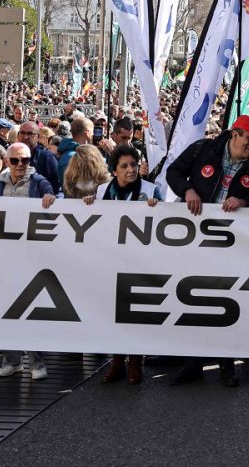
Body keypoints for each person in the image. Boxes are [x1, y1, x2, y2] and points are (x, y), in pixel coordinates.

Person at [162, 115, 249, 387]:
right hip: (196, 237)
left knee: (226, 300)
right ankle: (192, 363)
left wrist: (244, 199)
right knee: (192, 296)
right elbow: (172, 172)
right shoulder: (203, 149)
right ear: (235, 134)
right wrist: (187, 190)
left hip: (231, 241)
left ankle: (226, 364)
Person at [0, 142, 56, 380]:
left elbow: (52, 194)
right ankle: (12, 360)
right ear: (7, 162)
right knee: (5, 309)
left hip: (31, 256)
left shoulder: (38, 182)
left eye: (25, 160)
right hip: (3, 256)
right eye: (15, 160)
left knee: (30, 309)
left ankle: (37, 363)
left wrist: (49, 197)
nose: (20, 165)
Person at [91, 145, 156, 384]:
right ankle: (117, 360)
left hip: (140, 261)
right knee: (114, 311)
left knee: (135, 311)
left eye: (134, 165)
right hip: (111, 259)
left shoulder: (151, 190)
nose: (131, 170)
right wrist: (89, 203)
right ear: (114, 170)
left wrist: (157, 208)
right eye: (125, 166)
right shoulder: (102, 191)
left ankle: (135, 361)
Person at [17, 121, 61, 189]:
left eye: (30, 134)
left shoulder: (47, 156)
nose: (25, 137)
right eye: (22, 133)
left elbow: (56, 185)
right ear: (18, 135)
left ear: (38, 137)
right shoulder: (11, 154)